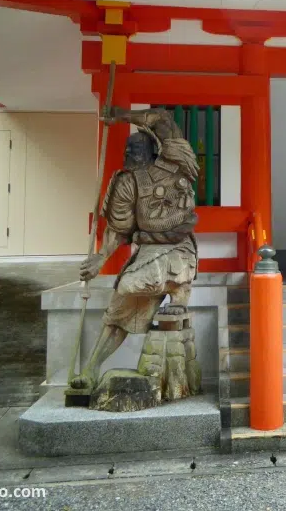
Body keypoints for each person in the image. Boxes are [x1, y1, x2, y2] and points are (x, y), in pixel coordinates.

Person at [69, 107, 199, 392]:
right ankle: (90, 370)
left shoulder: (177, 164)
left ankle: (178, 300)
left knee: (137, 286)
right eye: (129, 148)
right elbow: (119, 229)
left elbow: (162, 119)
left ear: (154, 148)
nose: (133, 151)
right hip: (148, 251)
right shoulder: (127, 183)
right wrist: (100, 259)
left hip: (179, 248)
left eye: (139, 147)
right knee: (118, 311)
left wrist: (121, 116)